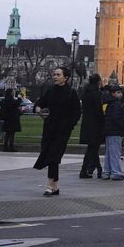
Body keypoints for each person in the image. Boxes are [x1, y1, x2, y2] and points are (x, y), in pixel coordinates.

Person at [32, 66, 81, 196]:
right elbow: (41, 102)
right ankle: (55, 186)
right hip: (50, 127)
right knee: (51, 156)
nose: (55, 76)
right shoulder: (50, 91)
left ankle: (49, 185)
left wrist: (69, 125)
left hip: (63, 130)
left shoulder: (72, 93)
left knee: (54, 156)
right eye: (54, 74)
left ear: (65, 77)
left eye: (58, 75)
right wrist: (37, 108)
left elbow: (77, 112)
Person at [78, 74, 104, 179]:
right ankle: (92, 169)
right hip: (95, 124)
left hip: (87, 122)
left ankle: (94, 169)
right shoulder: (97, 93)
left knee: (92, 148)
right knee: (93, 148)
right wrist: (103, 120)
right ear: (98, 81)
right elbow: (98, 110)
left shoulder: (85, 93)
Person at [102, 84, 124, 180]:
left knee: (109, 153)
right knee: (115, 153)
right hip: (115, 130)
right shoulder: (116, 104)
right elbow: (116, 118)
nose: (120, 95)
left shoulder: (109, 103)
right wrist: (122, 127)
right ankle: (116, 172)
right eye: (118, 93)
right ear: (113, 93)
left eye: (121, 93)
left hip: (109, 130)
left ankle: (106, 172)